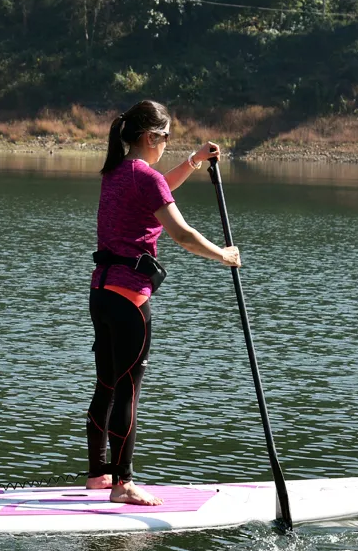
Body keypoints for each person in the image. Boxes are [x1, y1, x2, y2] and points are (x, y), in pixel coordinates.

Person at [86, 99, 242, 506]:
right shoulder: (143, 177)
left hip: (100, 294)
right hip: (130, 299)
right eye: (166, 138)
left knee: (106, 384)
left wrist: (192, 161)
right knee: (128, 392)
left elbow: (157, 187)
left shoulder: (116, 172)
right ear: (151, 137)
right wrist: (223, 255)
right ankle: (123, 484)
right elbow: (184, 235)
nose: (167, 144)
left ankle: (98, 475)